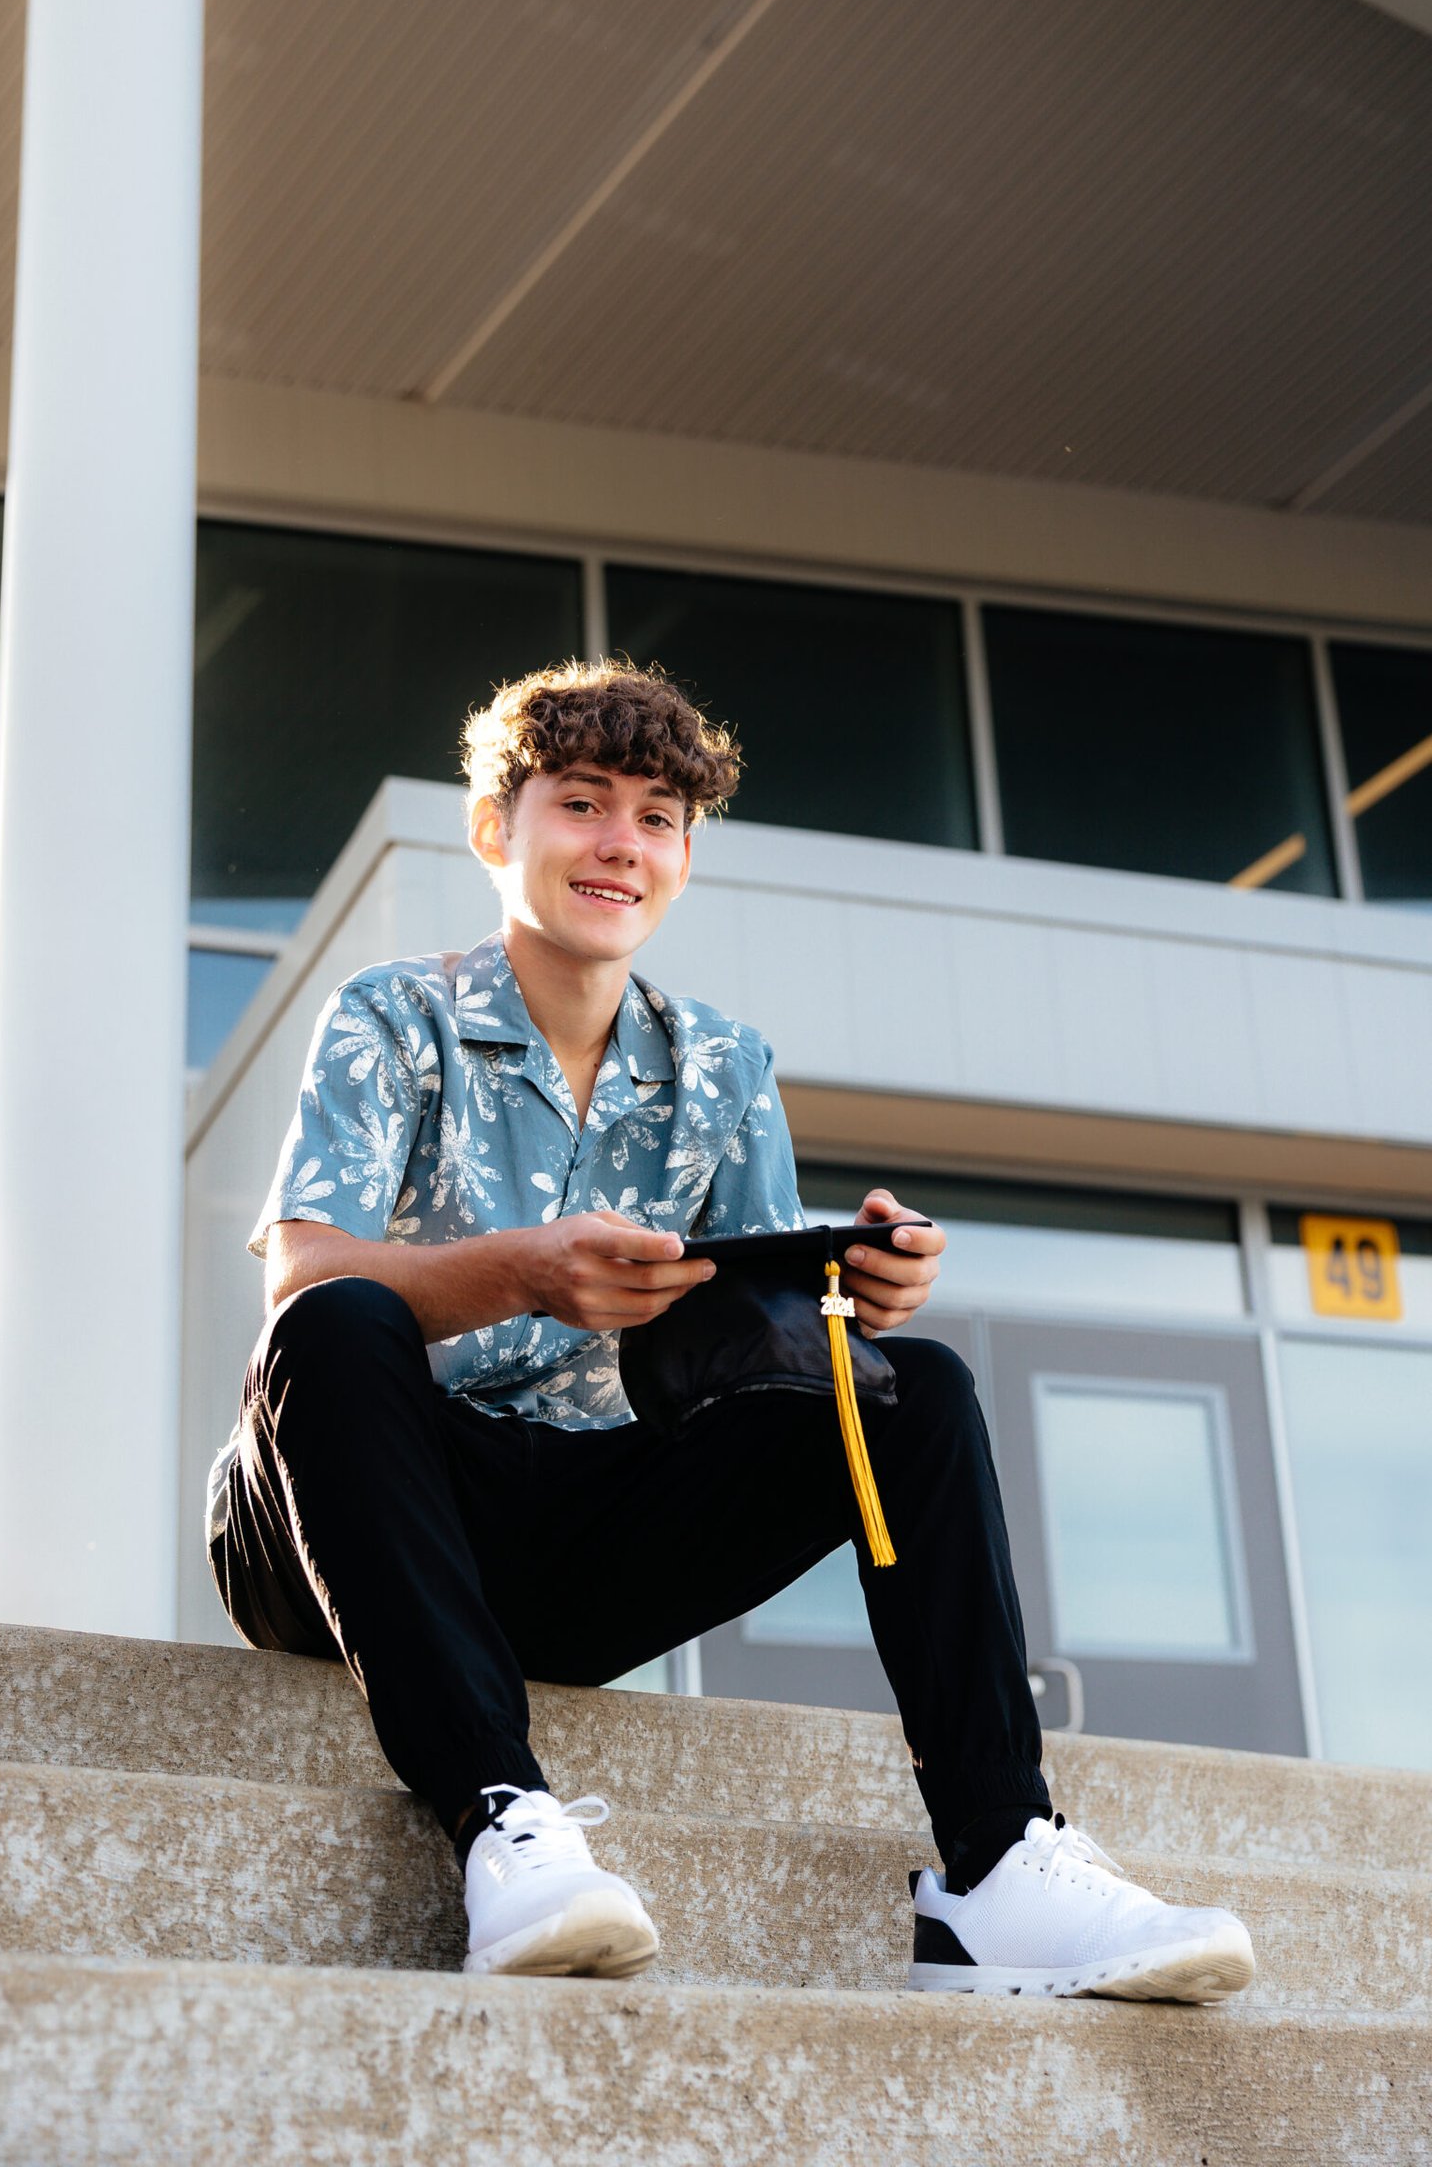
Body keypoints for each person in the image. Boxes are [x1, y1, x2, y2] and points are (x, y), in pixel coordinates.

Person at [207, 659, 1254, 2001]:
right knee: (337, 1320)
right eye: (581, 804)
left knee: (911, 1390)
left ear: (686, 857)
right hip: (346, 1522)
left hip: (570, 1545)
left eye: (655, 818)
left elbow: (742, 1368)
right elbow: (299, 1278)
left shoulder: (723, 1065)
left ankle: (999, 1866)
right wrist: (523, 1275)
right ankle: (503, 1826)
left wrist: (849, 1301)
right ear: (497, 832)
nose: (619, 844)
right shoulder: (391, 1019)